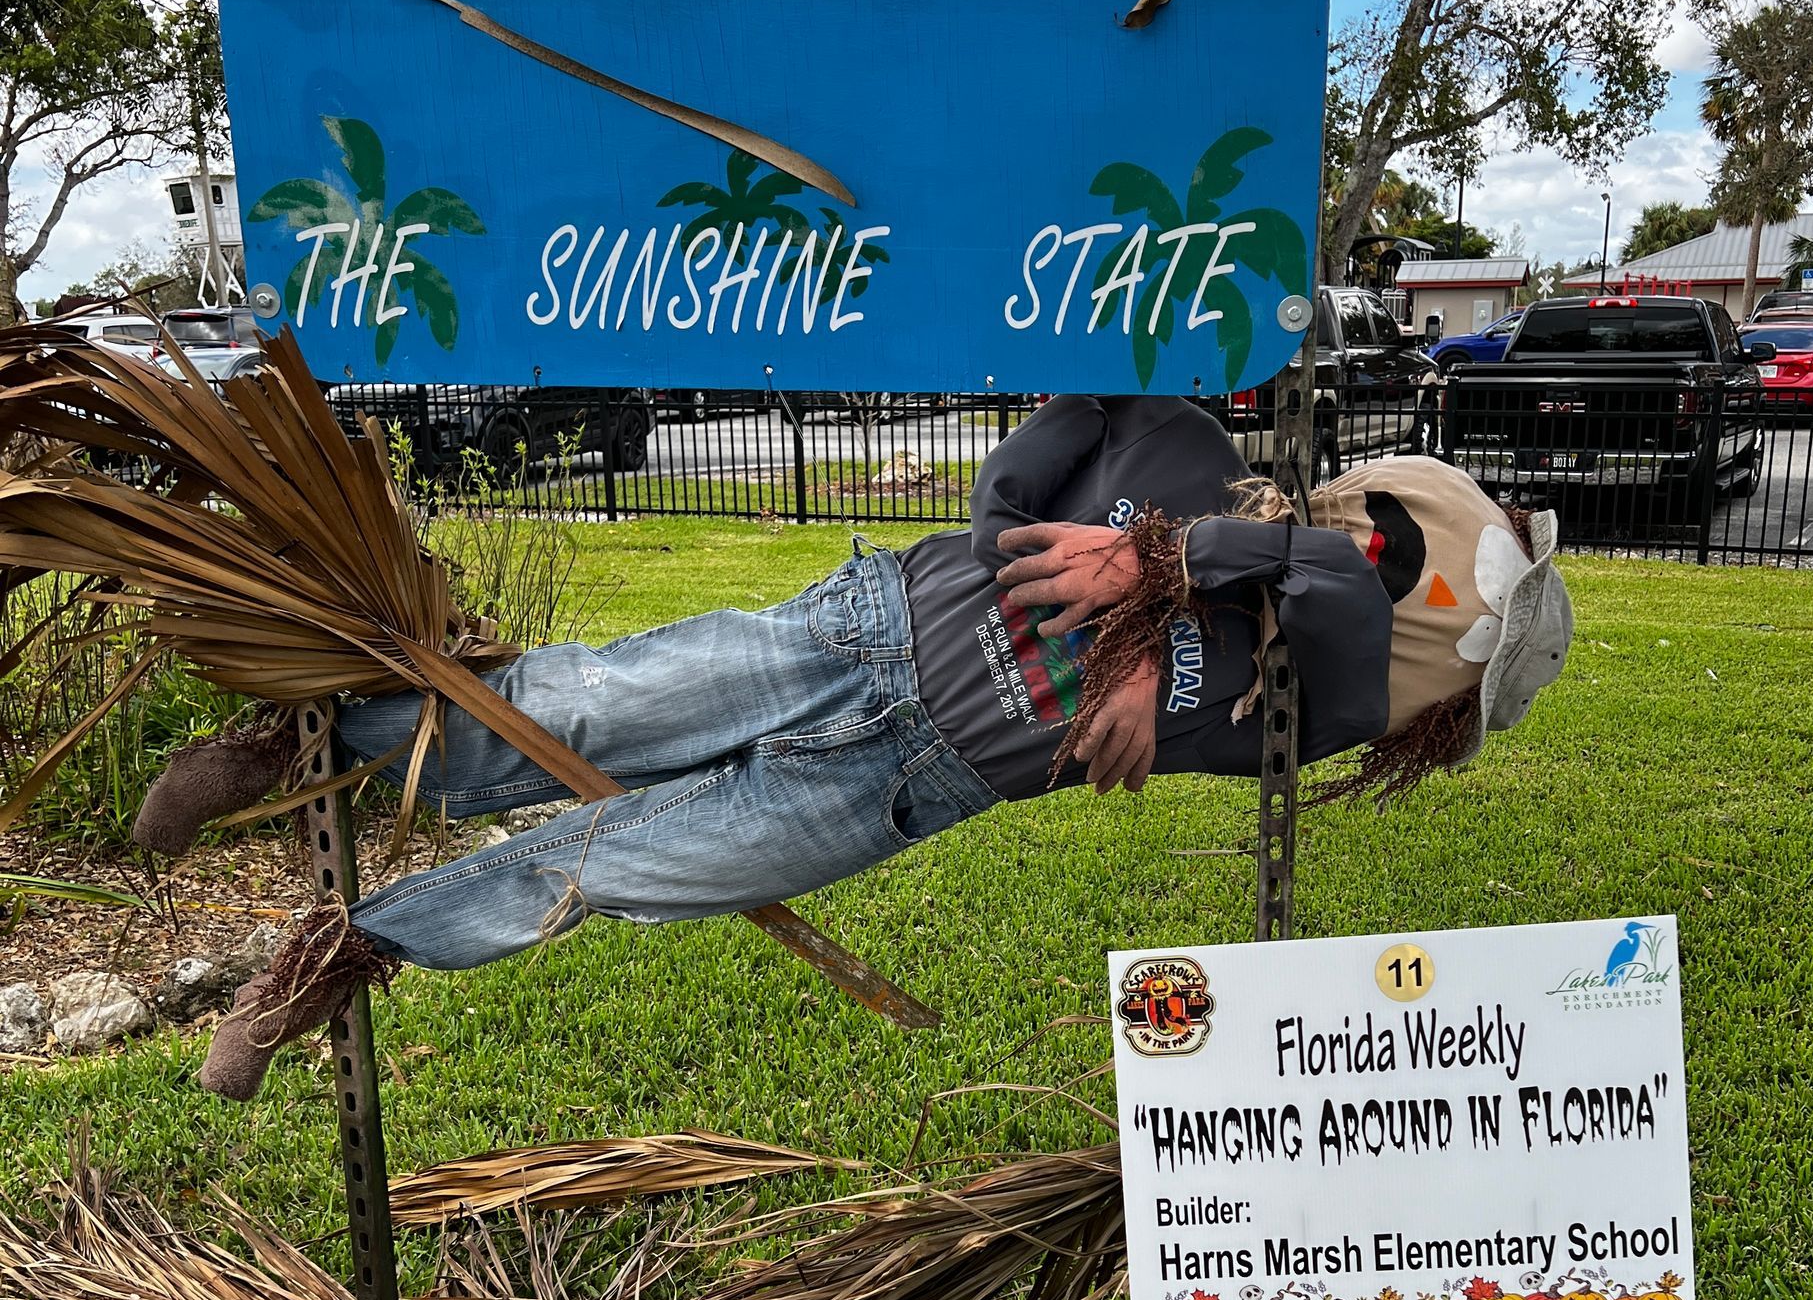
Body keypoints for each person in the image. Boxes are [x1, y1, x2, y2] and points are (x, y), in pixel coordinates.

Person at [138, 395, 1572, 1099]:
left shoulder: (1310, 694)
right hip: (870, 629)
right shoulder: (1194, 459)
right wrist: (1130, 561)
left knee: (609, 871)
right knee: (580, 710)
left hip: (909, 781)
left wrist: (1153, 609)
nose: (1389, 564)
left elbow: (1318, 601)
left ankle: (326, 966)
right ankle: (294, 747)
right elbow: (1037, 466)